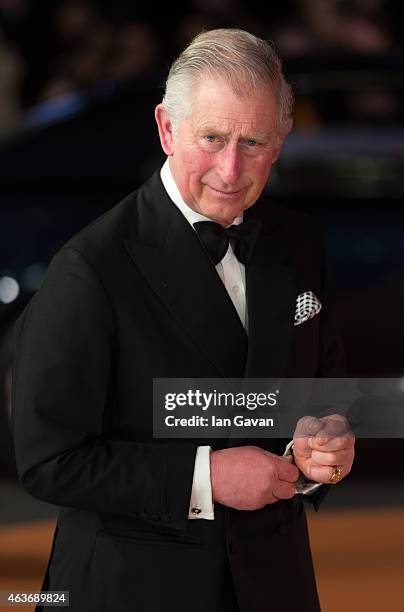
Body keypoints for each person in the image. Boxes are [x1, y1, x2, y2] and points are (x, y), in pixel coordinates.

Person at [12, 28, 355, 612]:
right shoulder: (89, 267)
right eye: (212, 137)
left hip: (276, 583)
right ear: (167, 129)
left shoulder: (299, 242)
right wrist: (207, 478)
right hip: (133, 588)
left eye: (253, 141)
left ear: (281, 141)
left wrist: (324, 451)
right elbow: (51, 459)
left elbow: (322, 394)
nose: (230, 168)